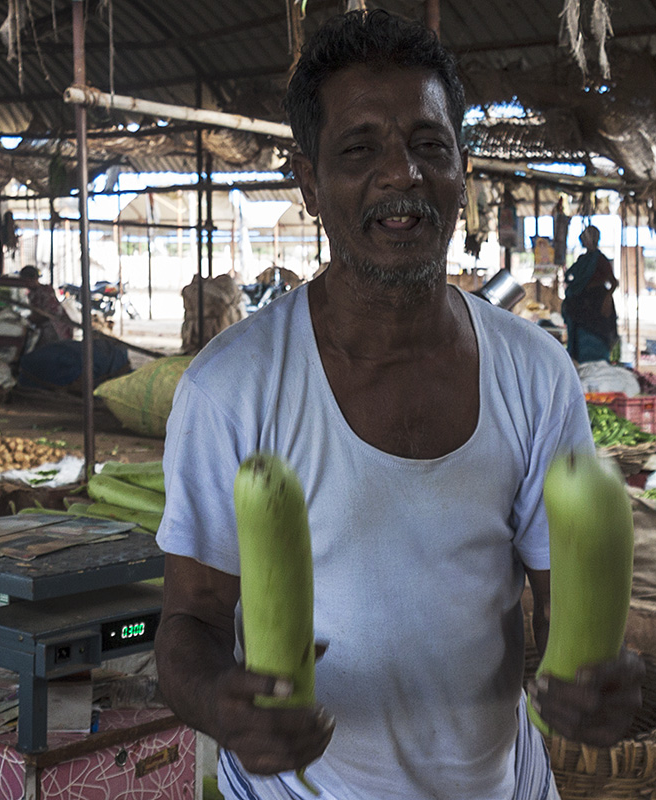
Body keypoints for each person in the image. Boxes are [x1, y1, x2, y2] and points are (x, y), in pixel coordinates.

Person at [153, 11, 644, 800]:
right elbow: (188, 626)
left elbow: (564, 609)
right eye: (359, 149)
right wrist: (221, 704)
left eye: (428, 145)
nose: (401, 174)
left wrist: (596, 679)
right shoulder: (230, 390)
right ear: (308, 182)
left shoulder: (536, 373)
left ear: (461, 169)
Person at [563, 225, 619, 363]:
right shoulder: (583, 259)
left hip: (597, 303)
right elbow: (570, 275)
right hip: (582, 304)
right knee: (579, 334)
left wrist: (607, 299)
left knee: (596, 334)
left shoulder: (600, 259)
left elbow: (614, 282)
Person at [20, 265, 74, 347]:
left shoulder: (45, 291)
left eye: (26, 280)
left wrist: (29, 319)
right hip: (46, 328)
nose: (25, 284)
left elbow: (47, 314)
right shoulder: (32, 294)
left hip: (56, 328)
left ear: (34, 278)